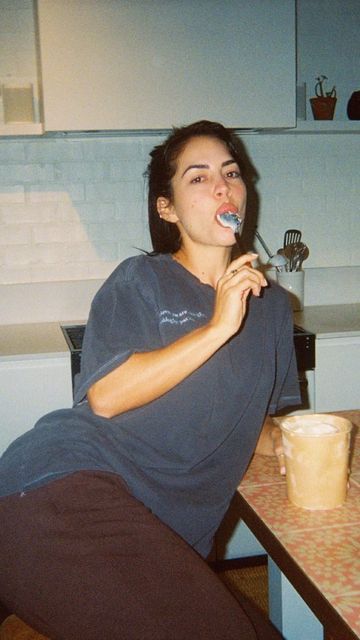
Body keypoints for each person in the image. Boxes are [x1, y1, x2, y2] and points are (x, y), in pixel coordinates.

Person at [0, 120, 300, 639]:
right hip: (60, 490)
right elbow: (108, 395)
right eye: (198, 178)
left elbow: (260, 430)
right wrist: (218, 325)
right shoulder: (141, 281)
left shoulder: (272, 307)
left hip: (160, 531)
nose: (222, 186)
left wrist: (313, 445)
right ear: (167, 208)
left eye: (230, 173)